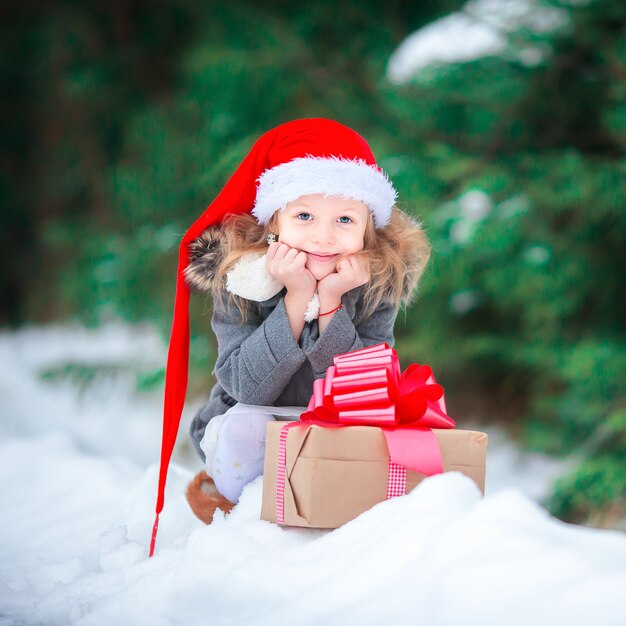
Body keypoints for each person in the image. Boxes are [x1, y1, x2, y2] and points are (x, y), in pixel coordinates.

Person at [149, 118, 430, 548]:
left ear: (367, 229)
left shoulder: (374, 285)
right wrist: (296, 301)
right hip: (250, 424)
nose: (323, 236)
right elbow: (246, 387)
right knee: (250, 429)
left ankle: (327, 511)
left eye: (344, 220)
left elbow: (365, 393)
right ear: (273, 222)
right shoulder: (240, 279)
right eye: (304, 216)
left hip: (331, 427)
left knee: (373, 442)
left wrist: (333, 304)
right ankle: (248, 514)